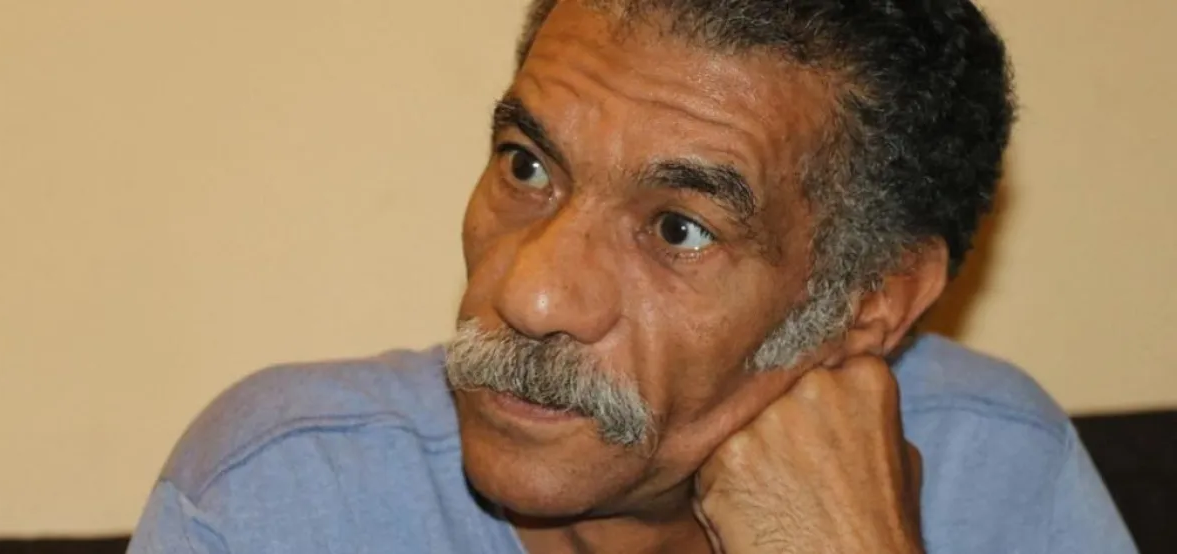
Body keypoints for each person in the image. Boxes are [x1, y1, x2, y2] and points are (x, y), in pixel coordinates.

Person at [127, 1, 1137, 552]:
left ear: (869, 302)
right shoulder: (282, 501)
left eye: (678, 229)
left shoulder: (1001, 469)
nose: (531, 295)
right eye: (529, 167)